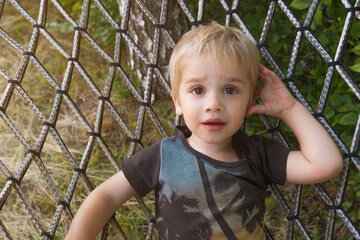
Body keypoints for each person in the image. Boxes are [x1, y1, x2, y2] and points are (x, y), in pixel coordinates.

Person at [66, 22, 343, 239]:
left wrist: (288, 109)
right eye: (198, 90)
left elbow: (325, 165)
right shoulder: (164, 156)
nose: (214, 104)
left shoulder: (258, 153)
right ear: (178, 102)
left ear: (250, 99)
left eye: (230, 90)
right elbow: (107, 195)